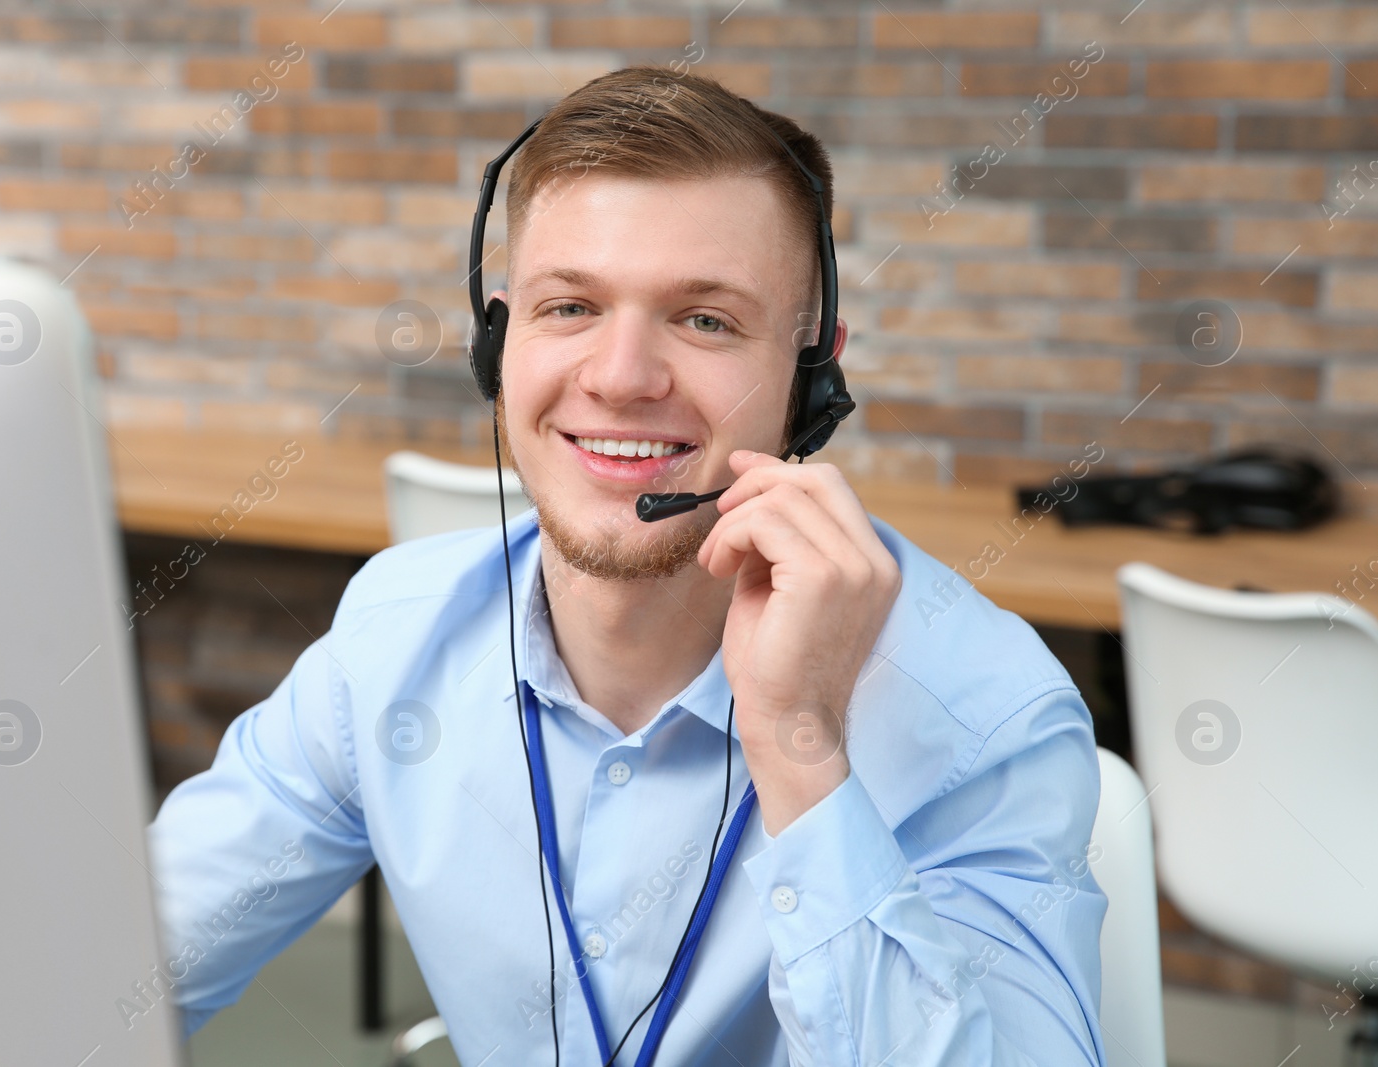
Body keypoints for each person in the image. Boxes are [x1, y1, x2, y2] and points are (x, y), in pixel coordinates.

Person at [146, 65, 1108, 1066]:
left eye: (705, 320)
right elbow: (116, 973)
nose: (620, 376)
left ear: (813, 372)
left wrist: (801, 748)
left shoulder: (986, 713)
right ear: (496, 339)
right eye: (569, 307)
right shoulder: (395, 638)